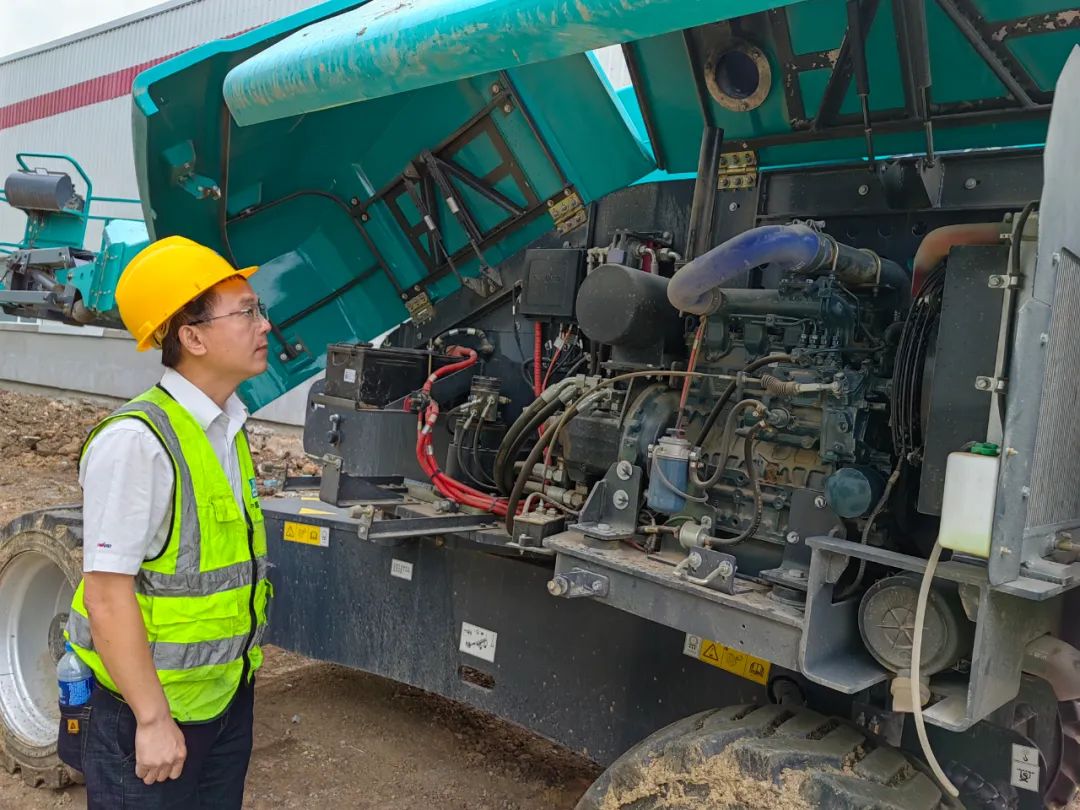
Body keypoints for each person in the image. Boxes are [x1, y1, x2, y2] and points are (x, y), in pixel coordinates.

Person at [62, 235, 274, 808]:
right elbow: (108, 594)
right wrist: (152, 720)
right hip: (145, 713)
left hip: (222, 702)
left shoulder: (225, 429)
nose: (266, 325)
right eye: (248, 311)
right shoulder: (138, 442)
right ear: (193, 337)